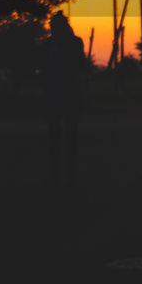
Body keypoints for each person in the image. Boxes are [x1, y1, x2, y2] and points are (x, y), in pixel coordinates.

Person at [44, 12, 87, 191]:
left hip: (68, 91)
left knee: (69, 133)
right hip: (57, 91)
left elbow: (80, 67)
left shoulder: (73, 44)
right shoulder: (51, 44)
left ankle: (67, 172)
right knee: (57, 133)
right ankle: (58, 172)